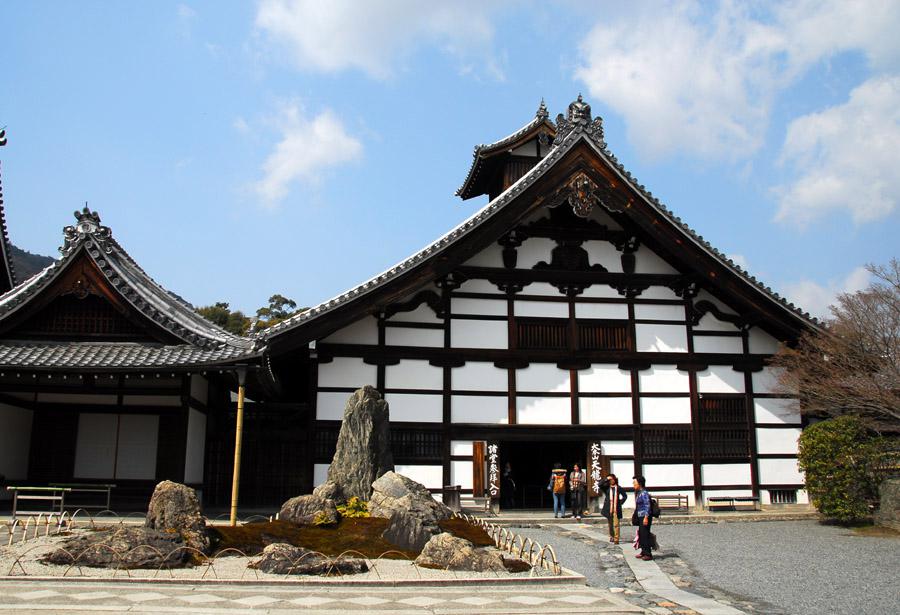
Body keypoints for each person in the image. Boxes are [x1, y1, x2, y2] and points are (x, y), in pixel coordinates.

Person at [599, 473, 628, 544]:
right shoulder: (607, 488)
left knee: (616, 524)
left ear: (615, 479)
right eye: (610, 479)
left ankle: (616, 538)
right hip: (609, 508)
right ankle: (612, 536)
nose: (611, 480)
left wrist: (620, 502)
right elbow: (599, 485)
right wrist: (606, 479)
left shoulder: (618, 488)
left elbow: (625, 496)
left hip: (616, 508)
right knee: (610, 524)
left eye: (612, 479)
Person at [633, 475, 653, 560]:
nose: (633, 484)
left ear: (640, 484)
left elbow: (647, 505)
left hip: (645, 516)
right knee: (641, 534)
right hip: (640, 515)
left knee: (645, 534)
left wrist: (646, 517)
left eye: (635, 483)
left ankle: (648, 553)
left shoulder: (644, 493)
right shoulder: (639, 492)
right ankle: (643, 551)